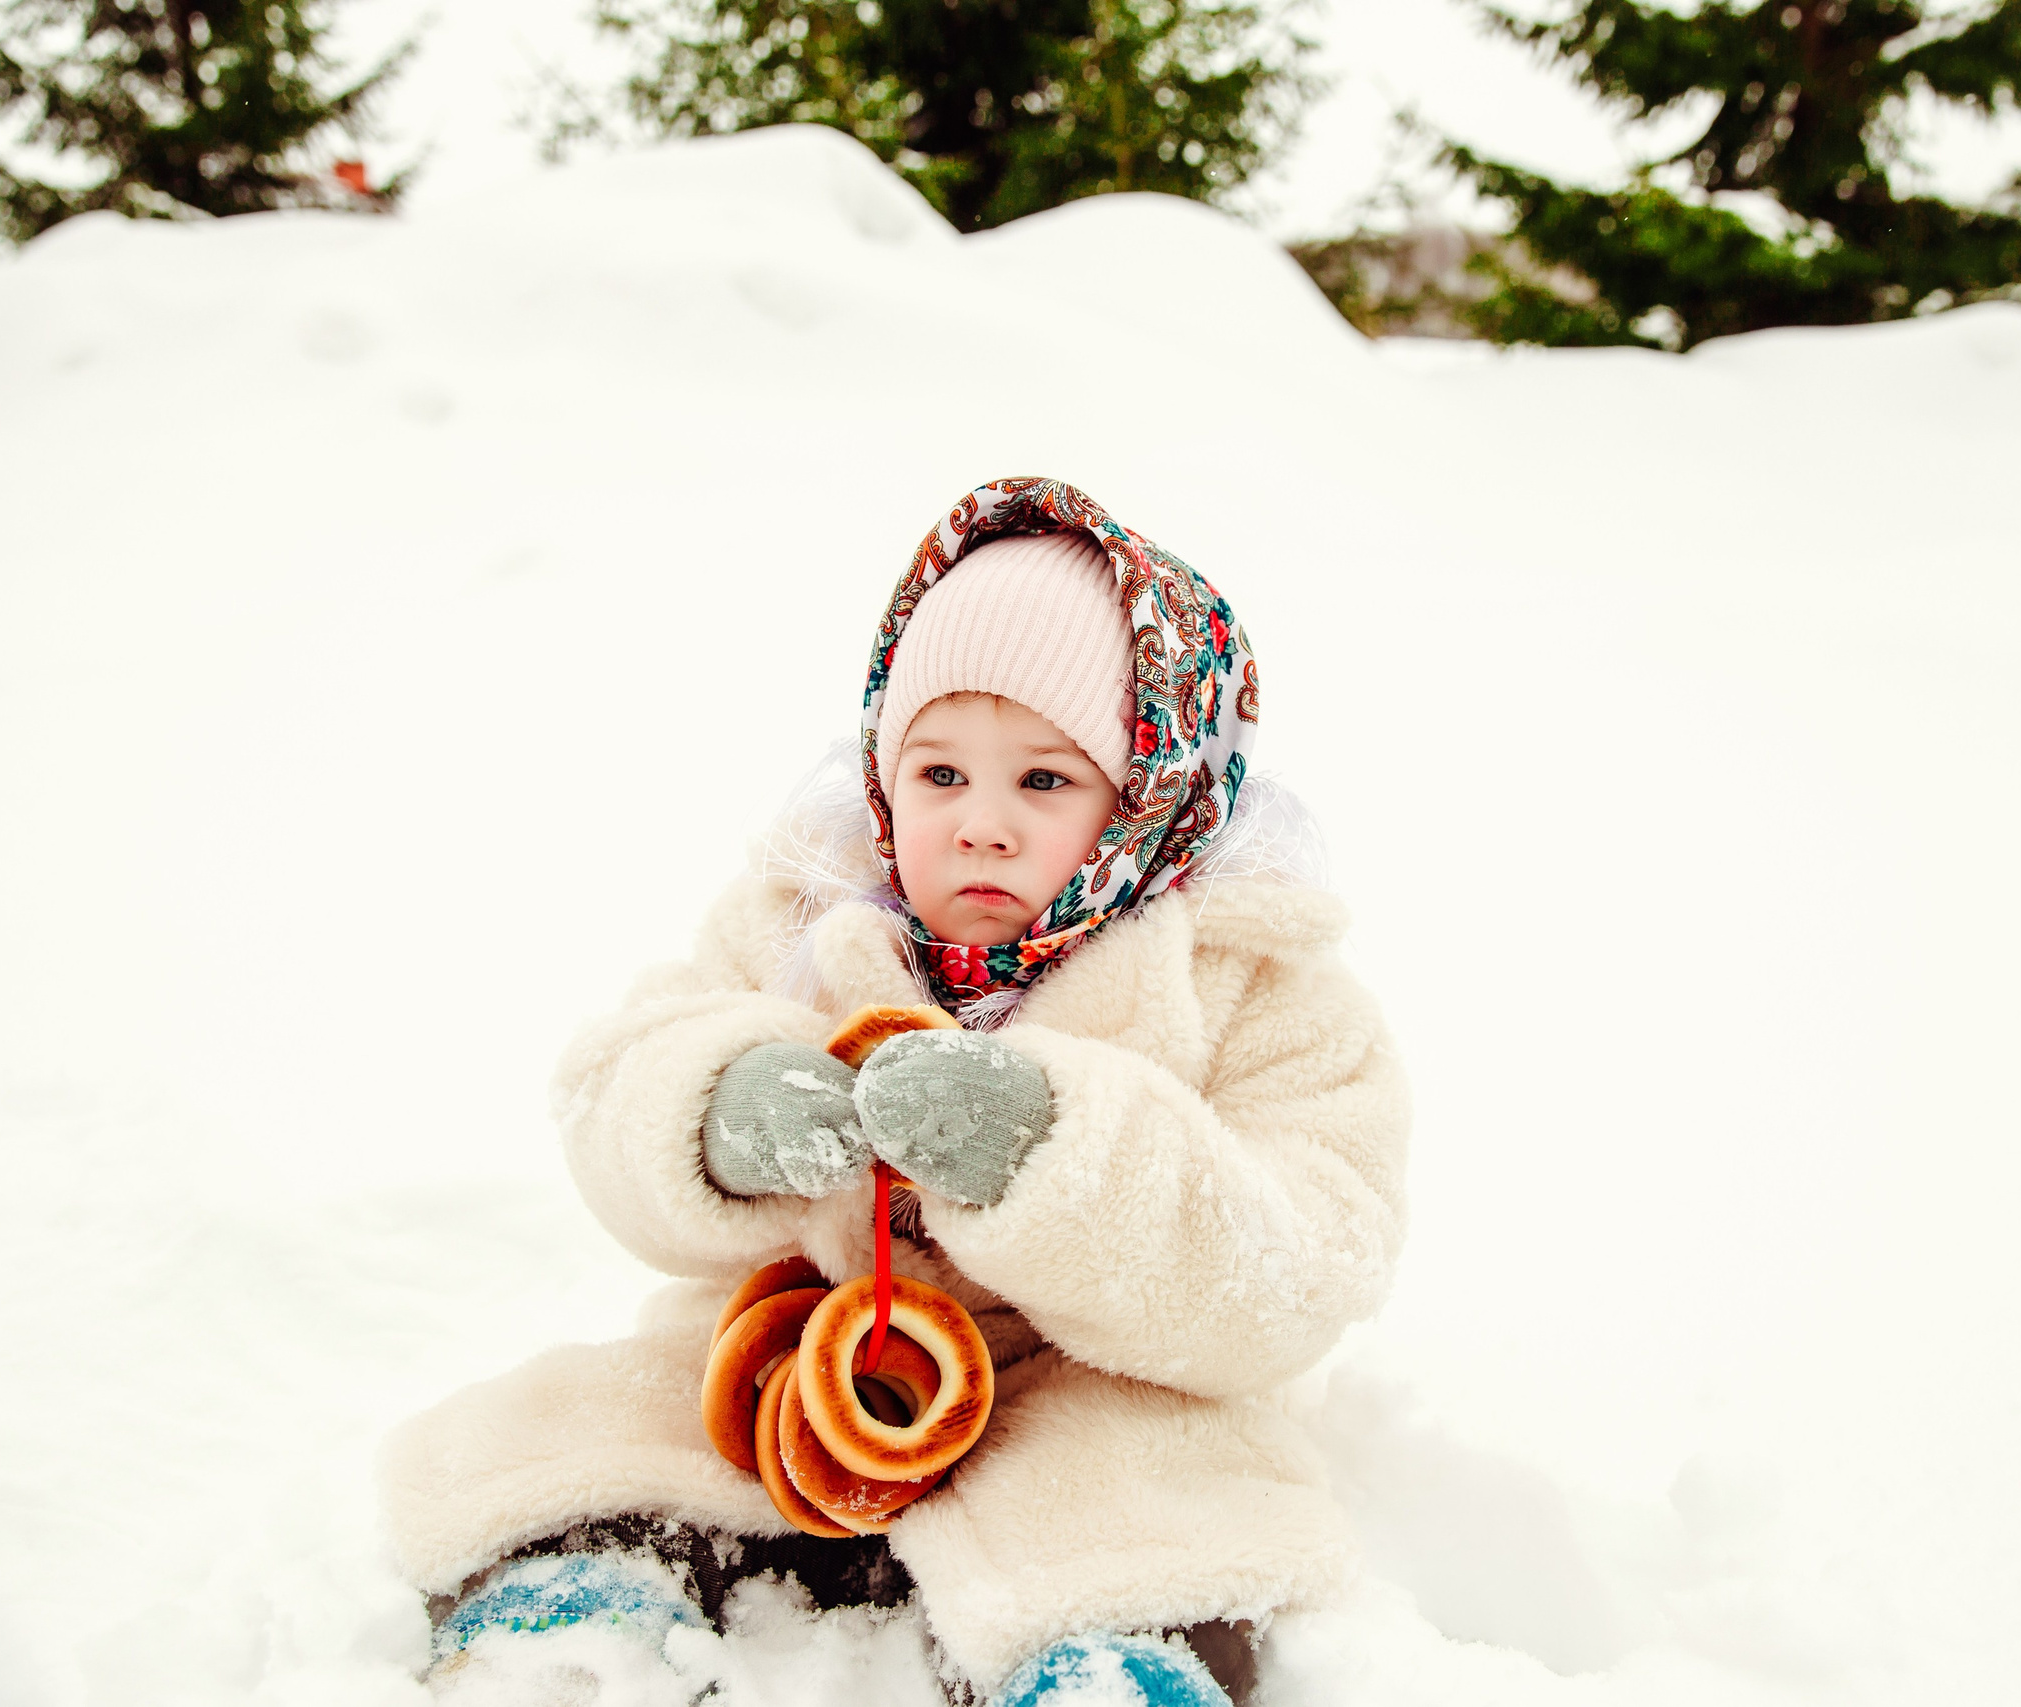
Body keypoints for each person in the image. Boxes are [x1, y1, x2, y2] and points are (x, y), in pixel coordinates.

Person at [380, 477, 1411, 1705]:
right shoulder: (803, 914)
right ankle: (577, 1624)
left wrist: (1052, 1155)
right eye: (939, 774)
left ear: (1152, 791)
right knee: (615, 1448)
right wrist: (712, 1116)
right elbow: (613, 1082)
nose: (979, 826)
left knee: (1138, 1528)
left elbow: (1305, 1255)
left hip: (1091, 1393)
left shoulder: (1257, 981)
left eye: (1043, 781)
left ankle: (1104, 1673)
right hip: (797, 1357)